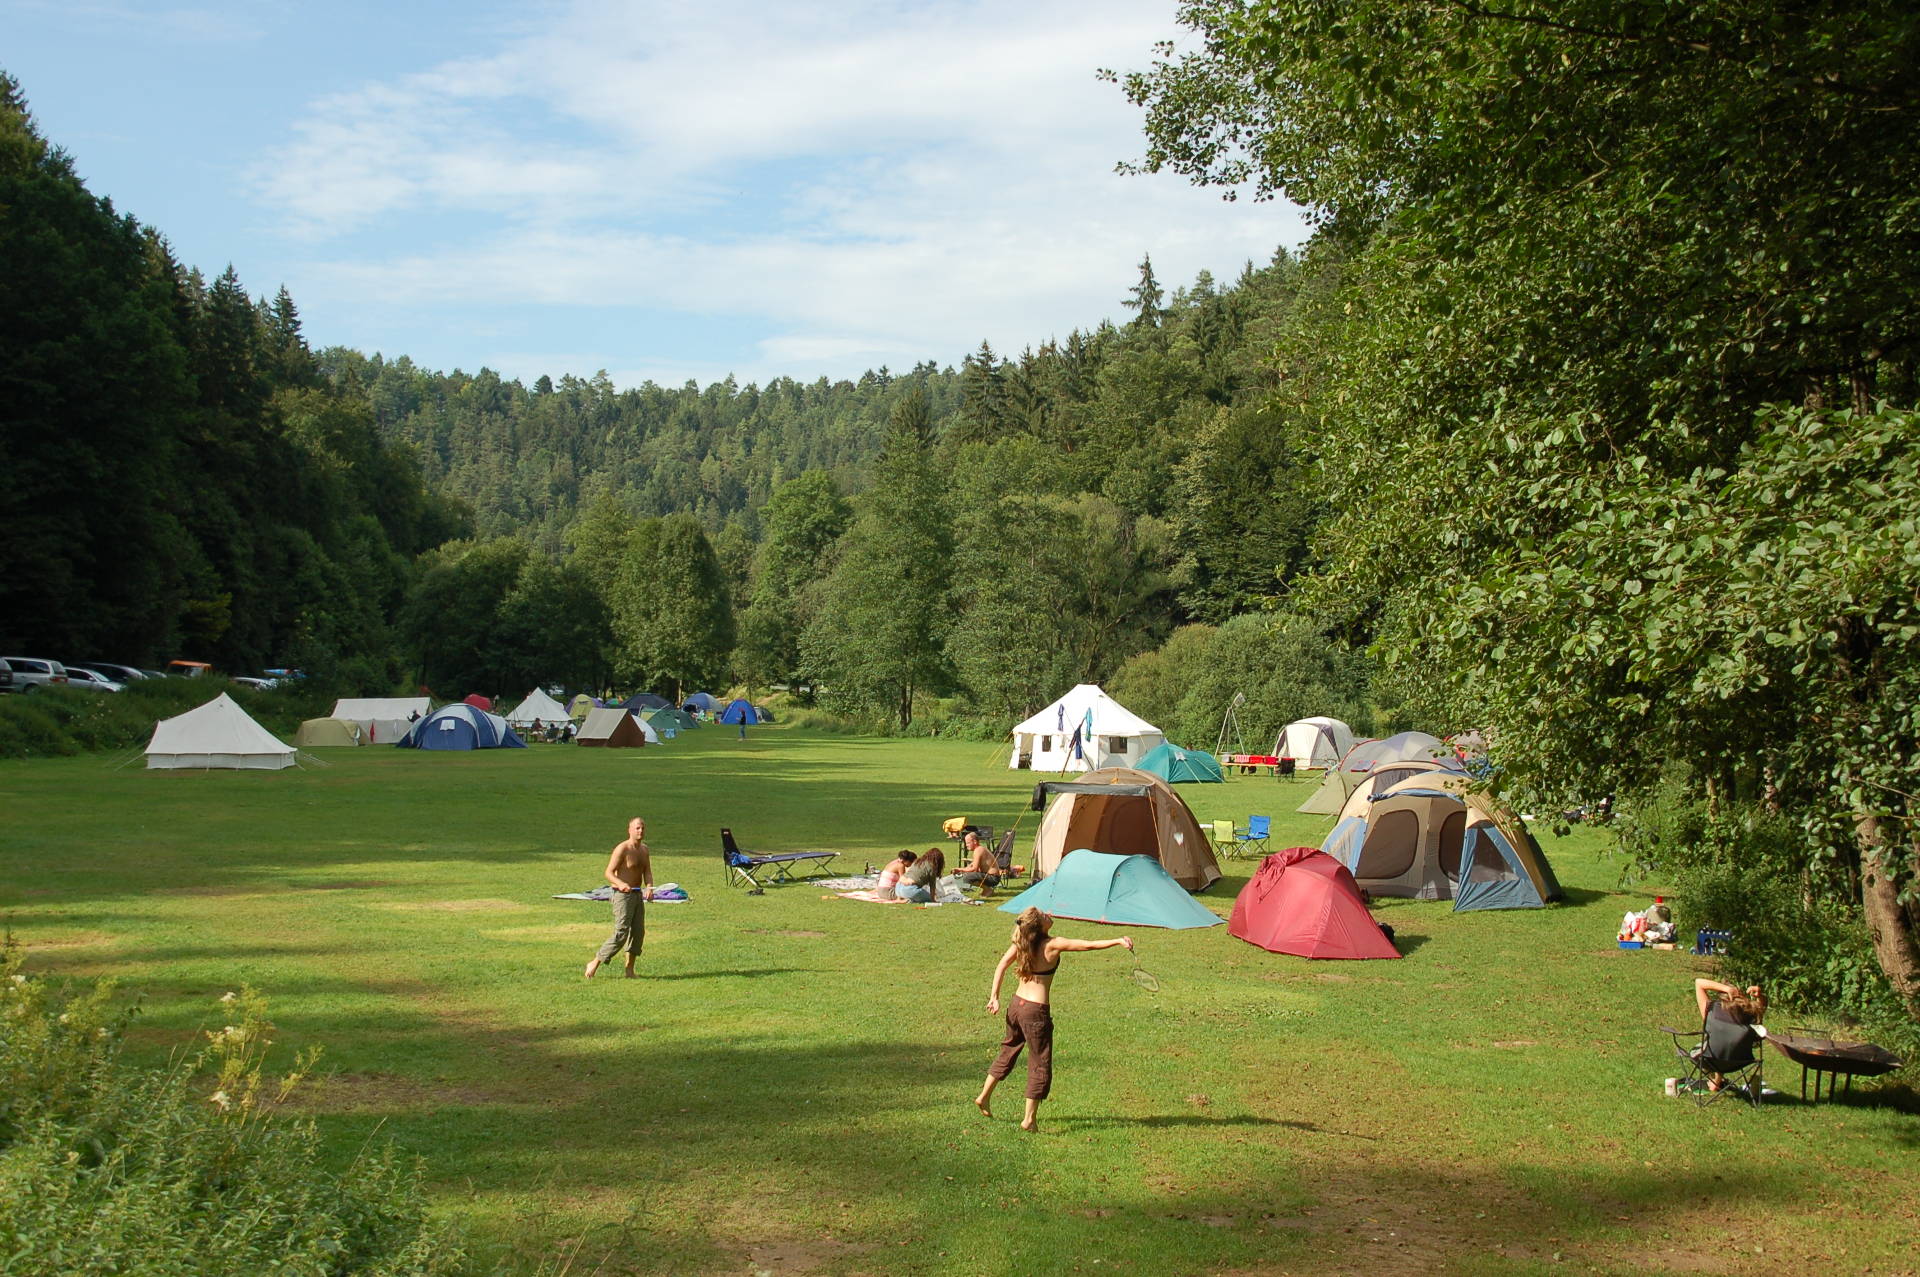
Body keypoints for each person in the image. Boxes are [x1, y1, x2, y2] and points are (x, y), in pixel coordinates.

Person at [975, 907, 1133, 1132]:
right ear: (1039, 926)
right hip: (1035, 1011)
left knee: (1007, 1050)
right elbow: (1086, 945)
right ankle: (1029, 1119)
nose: (1048, 914)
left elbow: (1001, 965)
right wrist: (1117, 940)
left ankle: (984, 1096)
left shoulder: (1021, 943)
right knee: (1039, 1062)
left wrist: (995, 997)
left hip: (1016, 1006)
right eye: (1043, 916)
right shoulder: (1053, 944)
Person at [585, 817, 653, 979]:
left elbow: (647, 872)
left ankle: (629, 970)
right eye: (637, 828)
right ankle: (595, 962)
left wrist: (649, 887)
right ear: (629, 830)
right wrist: (620, 883)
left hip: (637, 895)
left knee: (638, 932)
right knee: (621, 933)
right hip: (622, 896)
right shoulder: (622, 849)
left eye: (642, 828)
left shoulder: (644, 850)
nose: (640, 831)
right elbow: (608, 872)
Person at [1694, 977, 1767, 1091]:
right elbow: (1761, 1008)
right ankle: (1716, 1082)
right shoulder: (1750, 1014)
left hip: (1710, 1059)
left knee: (1712, 1046)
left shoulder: (1711, 1011)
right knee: (1727, 1044)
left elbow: (1699, 983)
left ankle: (1715, 1082)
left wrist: (1725, 988)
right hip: (1740, 1061)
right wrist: (1760, 996)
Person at [839, 850, 915, 903]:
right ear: (907, 860)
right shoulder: (900, 865)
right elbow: (901, 881)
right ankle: (899, 899)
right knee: (911, 892)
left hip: (880, 891)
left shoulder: (893, 862)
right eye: (911, 862)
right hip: (887, 892)